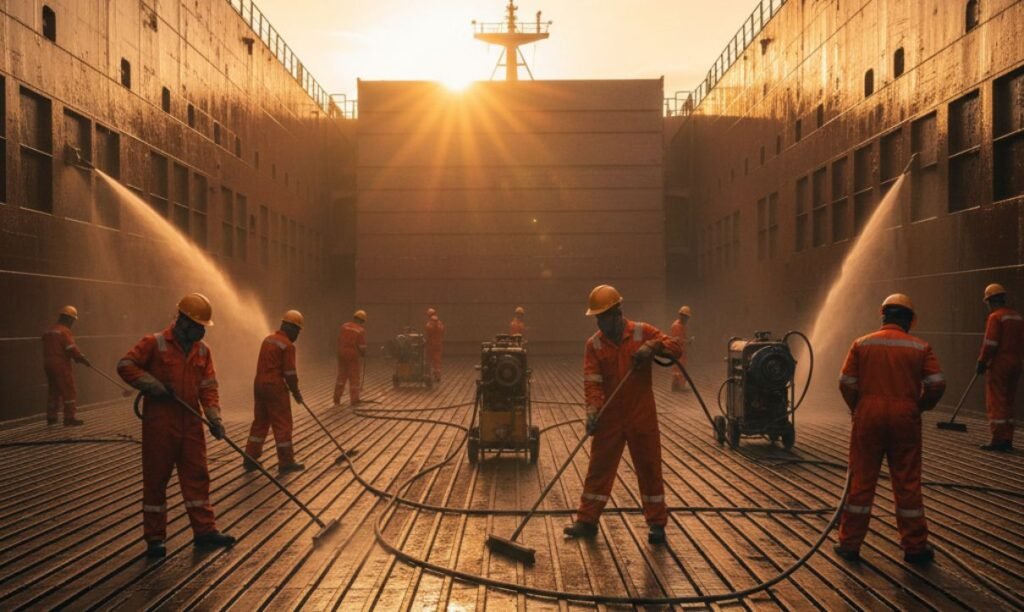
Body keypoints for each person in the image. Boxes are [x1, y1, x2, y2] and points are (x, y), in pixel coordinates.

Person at [117, 293, 235, 558]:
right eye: (198, 326)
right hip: (161, 423)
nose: (202, 331)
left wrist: (214, 418)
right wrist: (153, 386)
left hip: (191, 422)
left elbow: (208, 387)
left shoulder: (203, 351)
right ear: (183, 322)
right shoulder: (154, 343)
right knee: (156, 479)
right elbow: (125, 365)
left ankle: (204, 531)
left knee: (198, 477)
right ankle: (155, 538)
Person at [564, 285, 681, 544]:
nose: (600, 323)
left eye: (604, 317)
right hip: (609, 416)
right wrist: (593, 412)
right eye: (597, 318)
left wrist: (653, 346)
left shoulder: (642, 332)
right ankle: (587, 520)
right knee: (599, 468)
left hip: (641, 413)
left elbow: (675, 348)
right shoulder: (594, 345)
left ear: (617, 313)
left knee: (649, 467)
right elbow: (592, 382)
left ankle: (657, 523)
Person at [835, 293, 945, 564]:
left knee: (861, 480)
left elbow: (846, 382)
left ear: (883, 315)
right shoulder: (920, 347)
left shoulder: (862, 344)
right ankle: (915, 547)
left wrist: (857, 407)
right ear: (909, 320)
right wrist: (919, 406)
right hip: (905, 418)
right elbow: (936, 383)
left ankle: (849, 544)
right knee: (907, 482)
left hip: (868, 416)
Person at [244, 310, 306, 474]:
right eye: (298, 331)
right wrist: (296, 392)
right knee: (282, 423)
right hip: (275, 387)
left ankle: (250, 458)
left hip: (259, 384)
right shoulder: (288, 346)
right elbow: (290, 373)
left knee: (260, 421)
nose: (297, 335)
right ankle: (286, 462)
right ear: (292, 329)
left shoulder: (267, 339)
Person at [977, 283, 1021, 452]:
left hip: (1000, 364)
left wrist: (982, 361)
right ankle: (1008, 438)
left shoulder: (995, 317)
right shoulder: (1017, 317)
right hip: (1016, 363)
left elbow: (990, 343)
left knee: (997, 401)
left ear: (989, 301)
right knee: (1009, 400)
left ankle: (998, 439)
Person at [42, 305, 89, 426]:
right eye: (72, 320)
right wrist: (81, 358)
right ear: (68, 319)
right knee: (68, 390)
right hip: (60, 364)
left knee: (53, 390)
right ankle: (69, 418)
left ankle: (51, 417)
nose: (72, 323)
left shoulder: (49, 331)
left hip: (48, 364)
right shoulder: (64, 331)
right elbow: (71, 348)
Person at [335, 310, 367, 406]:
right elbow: (361, 345)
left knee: (341, 376)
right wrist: (363, 353)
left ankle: (336, 399)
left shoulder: (344, 326)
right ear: (362, 321)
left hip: (341, 352)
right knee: (354, 377)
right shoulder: (360, 330)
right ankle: (354, 400)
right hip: (352, 354)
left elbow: (339, 339)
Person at [669, 306, 693, 392]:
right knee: (679, 369)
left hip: (680, 350)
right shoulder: (677, 326)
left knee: (678, 369)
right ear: (682, 316)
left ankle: (675, 385)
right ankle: (680, 386)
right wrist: (688, 342)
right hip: (678, 350)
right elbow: (678, 340)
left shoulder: (681, 325)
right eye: (686, 317)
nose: (687, 319)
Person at [424, 308, 445, 382]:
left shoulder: (430, 323)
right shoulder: (440, 323)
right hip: (438, 344)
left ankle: (428, 375)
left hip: (431, 345)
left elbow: (428, 333)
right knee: (437, 361)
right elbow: (442, 332)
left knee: (428, 359)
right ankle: (437, 376)